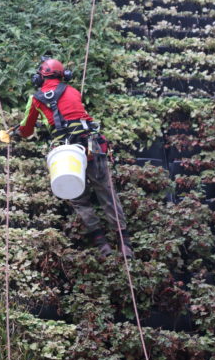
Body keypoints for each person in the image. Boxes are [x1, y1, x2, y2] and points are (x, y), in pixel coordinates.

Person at [14, 57, 133, 259]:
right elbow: (73, 114)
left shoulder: (36, 98)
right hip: (89, 144)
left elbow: (26, 129)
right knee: (106, 191)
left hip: (64, 152)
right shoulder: (73, 91)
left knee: (76, 195)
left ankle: (102, 245)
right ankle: (125, 244)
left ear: (39, 77)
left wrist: (18, 132)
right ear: (64, 76)